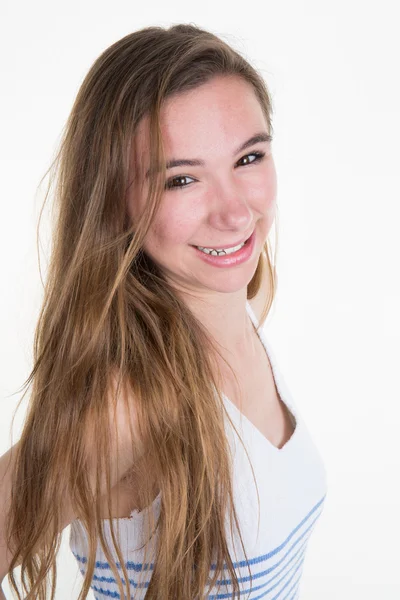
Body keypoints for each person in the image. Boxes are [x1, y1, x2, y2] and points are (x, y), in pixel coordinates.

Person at [0, 23, 328, 599]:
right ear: (113, 203)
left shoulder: (239, 315)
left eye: (248, 157)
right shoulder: (124, 404)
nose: (233, 212)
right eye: (182, 179)